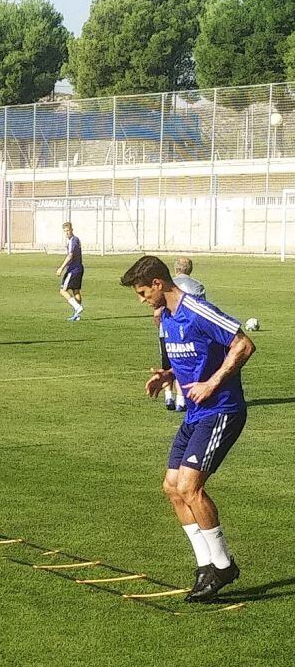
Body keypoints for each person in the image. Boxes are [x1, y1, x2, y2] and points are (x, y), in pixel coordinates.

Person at [120, 255, 254, 602]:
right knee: (172, 487)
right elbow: (189, 358)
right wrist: (167, 375)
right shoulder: (164, 316)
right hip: (194, 415)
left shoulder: (197, 310)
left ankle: (223, 565)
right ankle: (205, 565)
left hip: (221, 411)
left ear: (158, 284)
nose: (141, 299)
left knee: (191, 487)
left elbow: (243, 344)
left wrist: (213, 382)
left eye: (142, 292)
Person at [157, 257, 208, 411]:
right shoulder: (198, 286)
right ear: (190, 269)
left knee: (167, 363)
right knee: (183, 363)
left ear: (175, 269)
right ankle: (181, 399)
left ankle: (168, 396)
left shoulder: (166, 285)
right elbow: (202, 311)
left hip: (166, 330)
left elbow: (158, 311)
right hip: (188, 331)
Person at [55, 222, 84, 321]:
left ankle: (77, 307)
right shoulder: (76, 240)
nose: (67, 233)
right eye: (65, 231)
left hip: (73, 269)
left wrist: (61, 268)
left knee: (62, 290)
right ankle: (77, 315)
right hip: (79, 268)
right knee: (76, 291)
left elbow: (70, 255)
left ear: (72, 230)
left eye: (68, 230)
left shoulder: (73, 240)